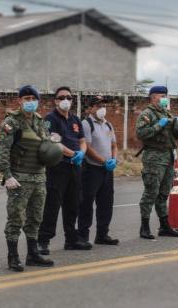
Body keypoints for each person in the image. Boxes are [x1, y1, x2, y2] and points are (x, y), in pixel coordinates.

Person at [0, 85, 55, 272]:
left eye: (33, 98)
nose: (30, 102)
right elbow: (1, 151)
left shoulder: (40, 121)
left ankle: (32, 254)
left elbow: (44, 147)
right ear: (19, 101)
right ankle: (13, 257)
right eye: (26, 98)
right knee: (16, 219)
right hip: (19, 179)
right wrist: (7, 176)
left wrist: (52, 142)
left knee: (35, 218)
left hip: (39, 177)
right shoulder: (11, 122)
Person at [37, 86, 91, 255]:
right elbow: (53, 141)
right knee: (52, 205)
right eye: (61, 98)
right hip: (57, 166)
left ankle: (71, 239)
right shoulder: (50, 119)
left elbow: (82, 140)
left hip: (75, 166)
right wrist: (72, 153)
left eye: (68, 97)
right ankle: (43, 241)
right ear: (55, 101)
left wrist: (81, 153)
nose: (65, 100)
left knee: (73, 203)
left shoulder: (75, 119)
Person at [135, 86, 178, 239]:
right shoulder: (147, 114)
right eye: (162, 95)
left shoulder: (166, 113)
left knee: (164, 193)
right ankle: (144, 227)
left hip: (168, 156)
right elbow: (141, 133)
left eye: (166, 96)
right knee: (151, 192)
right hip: (154, 158)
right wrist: (158, 125)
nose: (165, 98)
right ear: (153, 97)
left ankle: (164, 226)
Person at [78, 96, 119, 245]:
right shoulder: (87, 124)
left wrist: (114, 159)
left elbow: (114, 145)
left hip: (107, 170)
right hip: (92, 169)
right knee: (86, 203)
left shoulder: (108, 125)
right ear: (89, 109)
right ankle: (83, 236)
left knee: (106, 203)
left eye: (103, 105)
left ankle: (102, 234)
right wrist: (104, 161)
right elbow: (87, 147)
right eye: (98, 106)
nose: (102, 108)